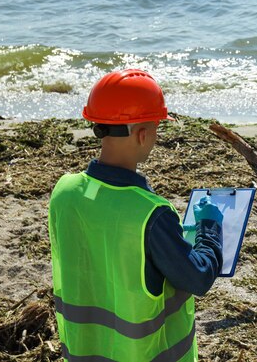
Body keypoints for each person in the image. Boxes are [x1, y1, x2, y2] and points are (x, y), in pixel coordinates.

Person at [48, 69, 223, 361]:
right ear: (142, 134)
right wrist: (209, 230)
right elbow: (198, 278)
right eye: (156, 128)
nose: (155, 136)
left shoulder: (64, 192)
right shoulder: (151, 215)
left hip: (82, 353)